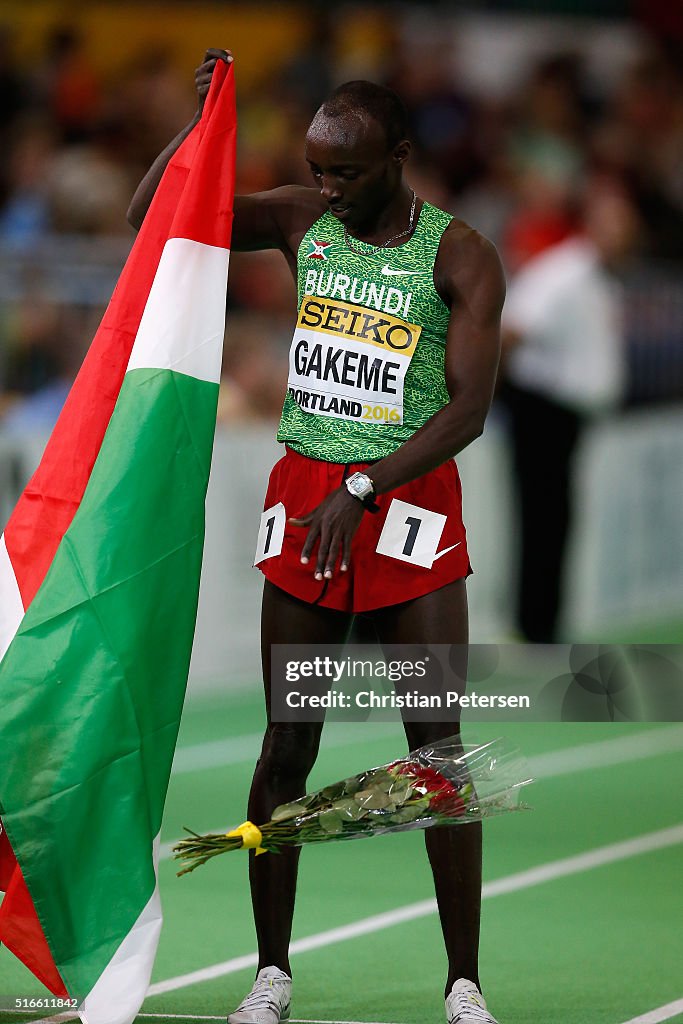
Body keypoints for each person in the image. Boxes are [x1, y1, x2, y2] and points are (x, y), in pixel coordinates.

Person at [129, 49, 505, 1024]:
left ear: (398, 157)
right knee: (286, 744)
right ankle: (271, 973)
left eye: (347, 172)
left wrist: (367, 480)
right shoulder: (304, 217)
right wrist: (203, 121)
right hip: (305, 503)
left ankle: (463, 985)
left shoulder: (457, 253)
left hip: (409, 503)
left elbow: (469, 406)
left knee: (437, 753)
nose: (328, 188)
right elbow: (151, 216)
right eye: (318, 169)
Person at [499, 184, 636, 641]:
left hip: (563, 414)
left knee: (554, 518)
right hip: (542, 412)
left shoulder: (595, 278)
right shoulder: (563, 274)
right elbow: (514, 328)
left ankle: (544, 623)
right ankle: (535, 626)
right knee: (543, 518)